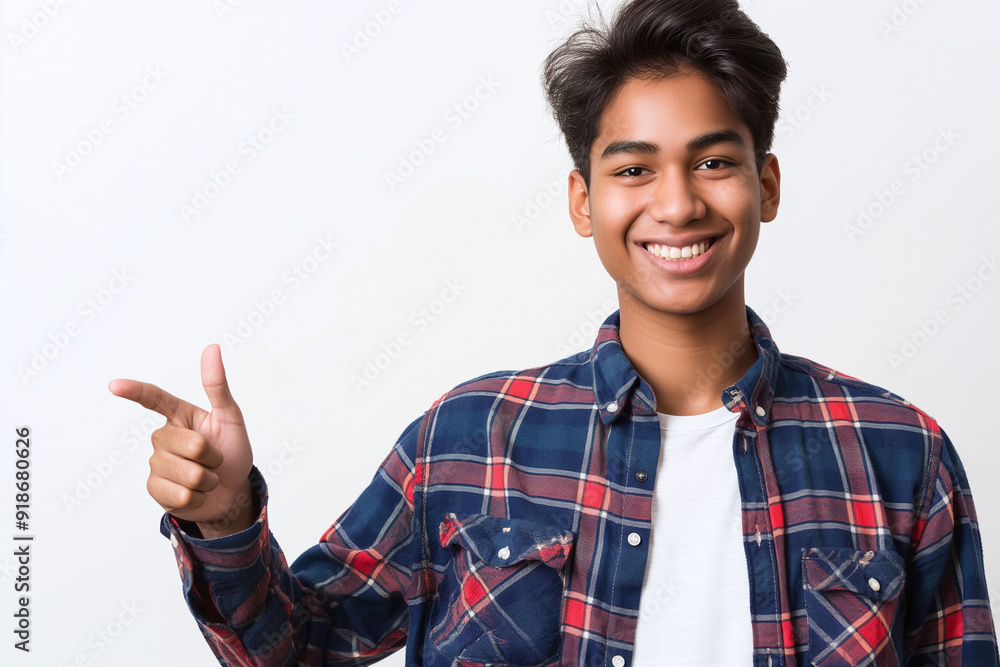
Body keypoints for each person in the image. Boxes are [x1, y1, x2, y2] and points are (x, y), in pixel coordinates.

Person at [109, 0, 999, 664]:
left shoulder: (899, 453)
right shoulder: (468, 437)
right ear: (585, 200)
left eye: (715, 161)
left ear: (766, 184)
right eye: (634, 167)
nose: (678, 202)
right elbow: (298, 643)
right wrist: (224, 519)